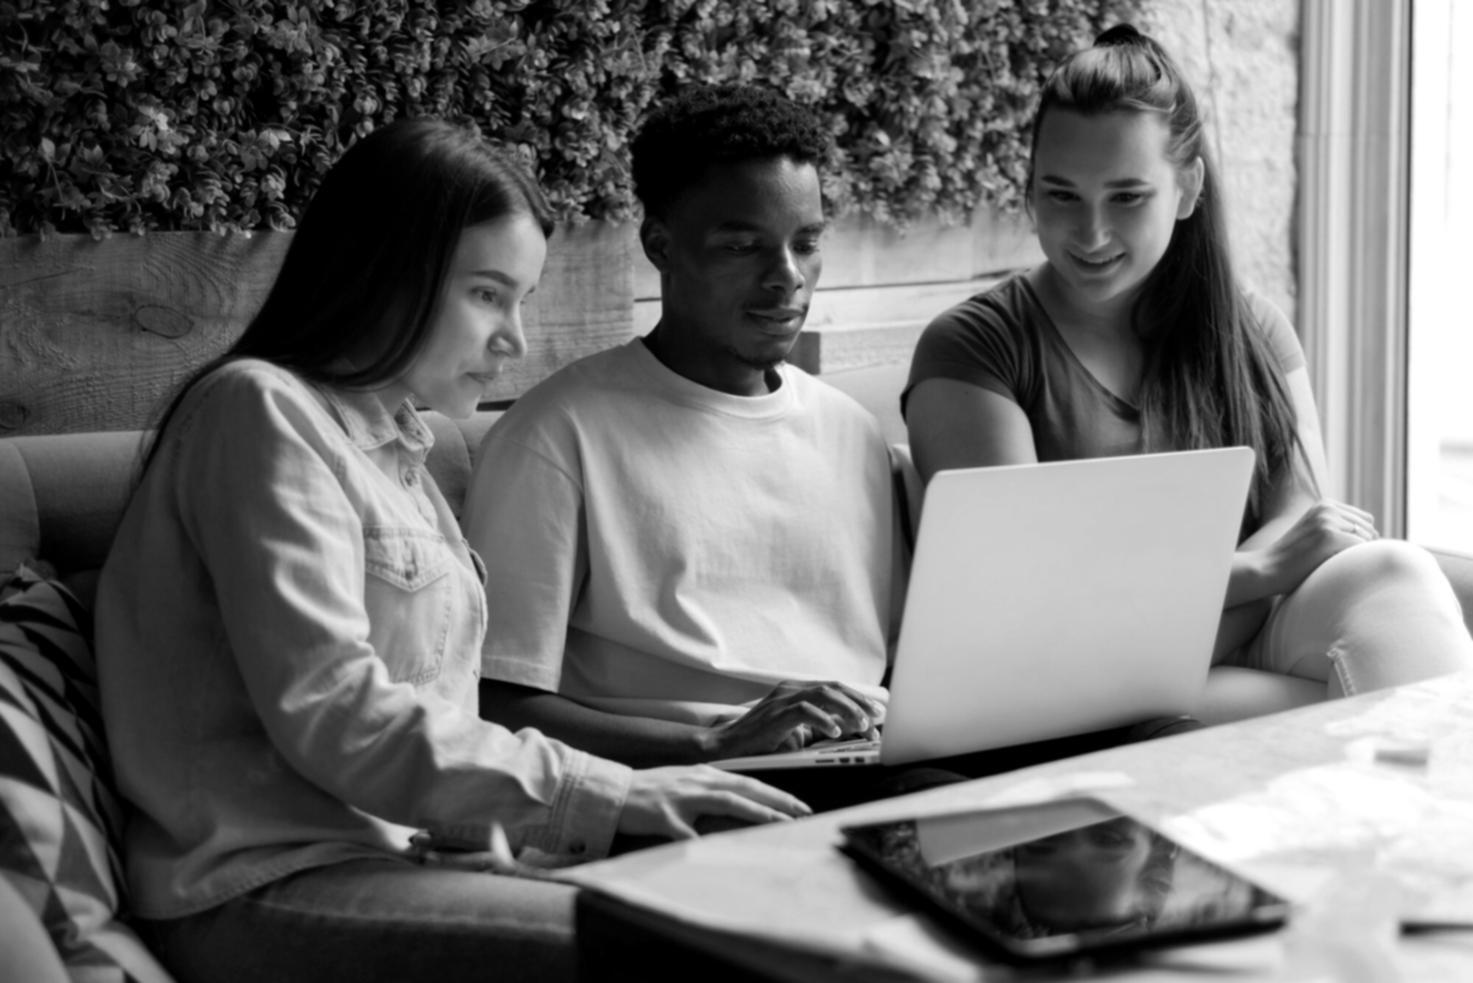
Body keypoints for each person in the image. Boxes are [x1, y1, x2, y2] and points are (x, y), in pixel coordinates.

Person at [94, 118, 808, 983]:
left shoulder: (398, 454)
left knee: (785, 896)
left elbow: (436, 720)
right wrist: (618, 794)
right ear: (385, 271)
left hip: (414, 859)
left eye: (522, 300)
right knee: (696, 950)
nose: (515, 339)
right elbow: (336, 711)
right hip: (266, 882)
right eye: (486, 294)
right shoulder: (260, 413)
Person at [903, 25, 1473, 722]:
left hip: (1233, 631)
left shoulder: (1248, 324)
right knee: (1344, 709)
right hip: (1073, 670)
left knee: (1396, 572)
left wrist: (1226, 586)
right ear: (1027, 191)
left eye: (1126, 197)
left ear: (1187, 187)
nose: (1090, 234)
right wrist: (1253, 573)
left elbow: (1304, 522)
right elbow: (1031, 596)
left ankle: (1431, 818)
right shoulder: (975, 347)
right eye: (1060, 195)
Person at [464, 84, 920, 809]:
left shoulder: (851, 432)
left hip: (876, 765)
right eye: (742, 245)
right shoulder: (559, 433)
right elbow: (496, 706)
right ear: (660, 245)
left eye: (805, 243)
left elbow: (897, 666)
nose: (786, 277)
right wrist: (713, 746)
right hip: (698, 787)